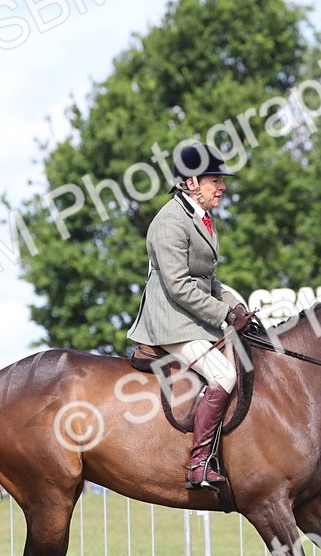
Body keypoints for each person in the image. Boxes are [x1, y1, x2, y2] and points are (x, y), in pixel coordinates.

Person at [127, 142, 251, 491]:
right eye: (216, 180)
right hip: (170, 320)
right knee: (225, 375)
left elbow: (209, 281)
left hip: (193, 315)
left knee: (247, 357)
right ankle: (198, 465)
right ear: (192, 181)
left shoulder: (200, 219)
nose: (222, 186)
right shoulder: (168, 222)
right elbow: (179, 287)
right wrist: (225, 313)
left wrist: (236, 306)